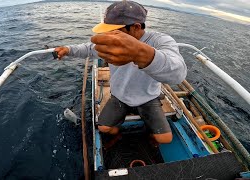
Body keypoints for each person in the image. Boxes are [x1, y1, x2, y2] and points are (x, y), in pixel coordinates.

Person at [55, 0, 187, 144]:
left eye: (114, 30)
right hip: (120, 96)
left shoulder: (160, 40)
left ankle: (149, 139)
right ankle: (118, 135)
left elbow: (178, 72)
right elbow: (89, 48)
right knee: (104, 128)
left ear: (136, 27)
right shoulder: (111, 42)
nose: (108, 34)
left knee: (165, 139)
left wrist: (142, 54)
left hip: (148, 98)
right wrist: (68, 49)